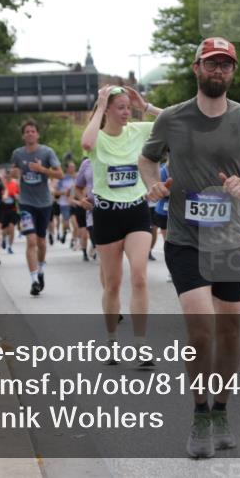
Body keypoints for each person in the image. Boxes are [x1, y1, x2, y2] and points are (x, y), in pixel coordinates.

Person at [139, 37, 240, 459]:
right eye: (211, 64)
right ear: (196, 67)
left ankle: (221, 409)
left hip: (231, 239)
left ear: (233, 72)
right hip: (185, 237)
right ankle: (200, 415)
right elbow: (148, 158)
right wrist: (152, 183)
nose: (218, 71)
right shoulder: (173, 118)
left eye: (226, 65)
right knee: (200, 328)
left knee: (230, 331)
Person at [81, 84, 163, 364]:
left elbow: (176, 122)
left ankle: (141, 345)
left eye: (129, 107)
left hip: (136, 211)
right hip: (106, 214)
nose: (127, 112)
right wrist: (101, 104)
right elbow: (87, 144)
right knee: (113, 284)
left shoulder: (137, 131)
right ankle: (111, 341)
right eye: (121, 107)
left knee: (139, 276)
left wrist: (146, 107)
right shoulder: (99, 138)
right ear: (108, 110)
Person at [12, 120, 64, 296]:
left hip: (44, 203)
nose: (30, 134)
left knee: (41, 242)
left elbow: (60, 173)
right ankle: (34, 280)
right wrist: (13, 174)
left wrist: (42, 169)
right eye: (26, 131)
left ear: (37, 134)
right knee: (31, 241)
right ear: (23, 135)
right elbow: (14, 171)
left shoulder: (47, 152)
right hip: (26, 203)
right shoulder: (17, 154)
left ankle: (41, 270)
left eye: (33, 131)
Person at [1, 166, 20, 254]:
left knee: (12, 228)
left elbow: (19, 195)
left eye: (9, 174)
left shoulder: (15, 183)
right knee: (5, 230)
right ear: (5, 175)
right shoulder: (2, 184)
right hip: (4, 209)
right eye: (7, 173)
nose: (8, 175)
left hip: (13, 209)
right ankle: (4, 239)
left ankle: (10, 247)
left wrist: (16, 197)